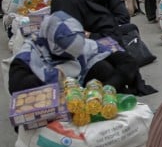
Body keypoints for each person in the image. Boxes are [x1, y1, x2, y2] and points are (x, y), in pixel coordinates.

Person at [8, 12, 146, 95]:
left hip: (88, 95)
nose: (71, 56)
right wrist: (61, 76)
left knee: (105, 67)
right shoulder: (28, 55)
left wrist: (108, 87)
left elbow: (127, 61)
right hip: (55, 99)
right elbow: (16, 87)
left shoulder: (81, 43)